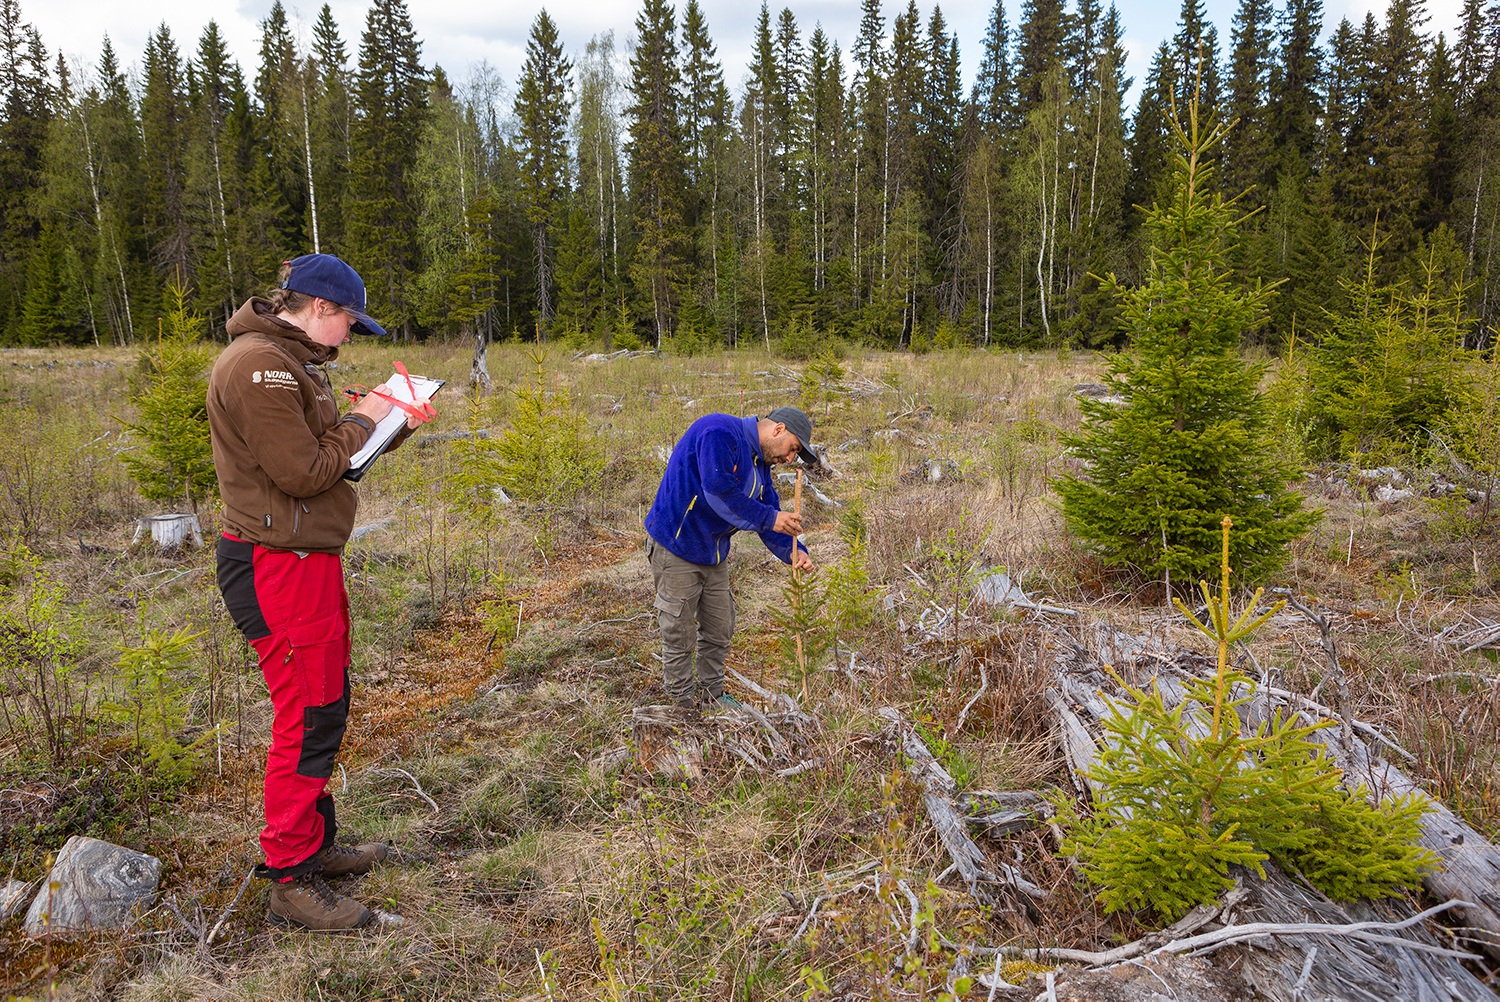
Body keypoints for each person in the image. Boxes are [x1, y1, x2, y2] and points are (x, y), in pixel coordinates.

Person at [207, 254, 434, 931]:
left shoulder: (291, 361)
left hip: (304, 557)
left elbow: (334, 455)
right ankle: (290, 879)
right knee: (305, 713)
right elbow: (305, 470)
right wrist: (370, 416)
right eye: (349, 324)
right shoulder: (259, 367)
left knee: (324, 703)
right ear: (318, 308)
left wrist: (388, 426)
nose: (349, 338)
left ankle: (315, 844)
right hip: (275, 562)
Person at [643, 406, 817, 712]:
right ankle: (681, 706)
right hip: (677, 546)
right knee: (678, 631)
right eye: (793, 450)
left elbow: (769, 512)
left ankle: (713, 695)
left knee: (719, 627)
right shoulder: (719, 432)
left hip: (714, 552)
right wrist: (770, 518)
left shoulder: (761, 463)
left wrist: (795, 552)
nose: (789, 460)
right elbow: (719, 492)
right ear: (778, 429)